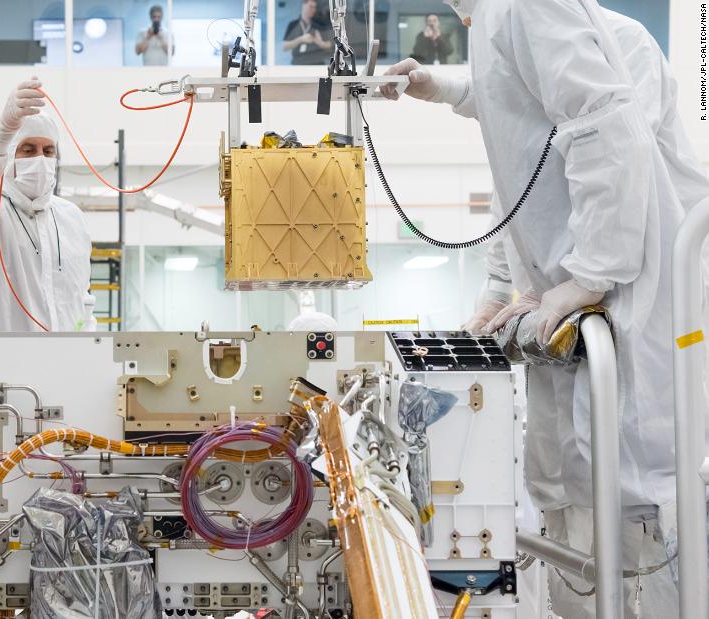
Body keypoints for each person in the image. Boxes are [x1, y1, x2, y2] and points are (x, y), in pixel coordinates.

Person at [383, 0, 709, 616]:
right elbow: (525, 147)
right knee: (583, 522)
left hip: (634, 305)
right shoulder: (499, 21)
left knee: (654, 525)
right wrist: (442, 86)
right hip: (586, 326)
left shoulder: (529, 7)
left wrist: (587, 278)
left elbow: (602, 128)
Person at [0, 78, 94, 332]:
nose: (39, 158)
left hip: (62, 368)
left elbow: (81, 304)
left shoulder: (70, 217)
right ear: (8, 153)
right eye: (27, 149)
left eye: (48, 151)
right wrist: (0, 134)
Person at [282, 0, 333, 66]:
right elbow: (284, 47)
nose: (313, 10)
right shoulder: (293, 25)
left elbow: (332, 45)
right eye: (311, 7)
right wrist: (300, 39)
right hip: (298, 65)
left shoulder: (320, 25)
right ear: (303, 5)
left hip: (317, 65)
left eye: (315, 7)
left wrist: (321, 43)